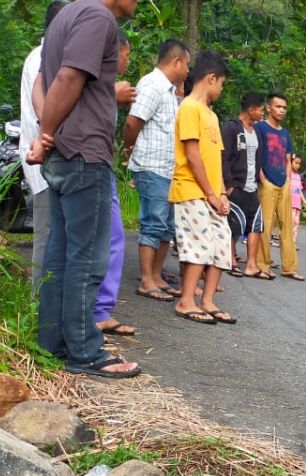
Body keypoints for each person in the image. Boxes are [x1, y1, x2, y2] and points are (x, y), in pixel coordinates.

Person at [26, 0, 140, 379]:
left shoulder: (64, 17)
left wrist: (48, 133)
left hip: (64, 153)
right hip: (83, 152)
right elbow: (68, 79)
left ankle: (53, 342)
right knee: (88, 258)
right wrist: (48, 134)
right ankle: (85, 352)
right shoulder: (96, 16)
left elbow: (41, 84)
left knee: (59, 255)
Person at [169, 51, 234, 325]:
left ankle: (207, 300)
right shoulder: (188, 108)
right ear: (210, 78)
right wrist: (209, 192)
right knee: (198, 244)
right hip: (191, 190)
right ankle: (186, 301)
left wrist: (220, 194)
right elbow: (193, 155)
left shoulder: (211, 115)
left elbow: (215, 158)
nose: (220, 89)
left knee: (221, 241)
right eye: (221, 84)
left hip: (210, 193)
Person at [123, 38, 190, 301]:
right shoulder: (152, 85)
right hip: (151, 167)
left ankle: (157, 275)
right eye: (186, 64)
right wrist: (129, 150)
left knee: (166, 227)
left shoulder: (170, 91)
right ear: (176, 61)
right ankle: (146, 280)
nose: (187, 70)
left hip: (167, 168)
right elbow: (132, 122)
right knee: (153, 223)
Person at [20, 0, 71, 289]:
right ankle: (39, 304)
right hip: (43, 157)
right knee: (47, 233)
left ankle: (49, 302)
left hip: (48, 156)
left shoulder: (46, 56)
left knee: (55, 233)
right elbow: (45, 110)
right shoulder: (42, 57)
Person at [92, 30, 137, 338]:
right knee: (110, 237)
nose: (127, 60)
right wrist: (111, 93)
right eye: (127, 54)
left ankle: (99, 310)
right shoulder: (96, 81)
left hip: (99, 161)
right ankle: (96, 312)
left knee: (108, 238)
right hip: (91, 162)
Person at [220, 91, 271, 279]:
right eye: (261, 110)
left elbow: (258, 156)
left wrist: (260, 177)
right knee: (234, 225)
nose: (263, 113)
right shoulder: (231, 128)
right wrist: (228, 183)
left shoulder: (256, 130)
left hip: (252, 187)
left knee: (256, 225)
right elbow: (223, 157)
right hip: (236, 186)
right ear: (251, 110)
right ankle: (231, 261)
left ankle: (251, 265)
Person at [255, 91, 303, 281]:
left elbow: (287, 158)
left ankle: (289, 267)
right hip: (267, 183)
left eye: (284, 107)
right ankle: (263, 265)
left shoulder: (285, 133)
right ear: (269, 107)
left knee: (287, 227)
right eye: (278, 106)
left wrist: (288, 180)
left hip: (284, 183)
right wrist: (262, 178)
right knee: (265, 226)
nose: (282, 110)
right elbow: (256, 154)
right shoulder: (261, 129)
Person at [289, 153, 302, 241]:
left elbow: (299, 190)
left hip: (298, 204)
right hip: (291, 203)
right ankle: (288, 241)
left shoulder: (298, 176)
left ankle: (293, 241)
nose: (298, 165)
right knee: (291, 222)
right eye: (296, 163)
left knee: (296, 223)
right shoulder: (289, 174)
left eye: (299, 164)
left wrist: (304, 201)